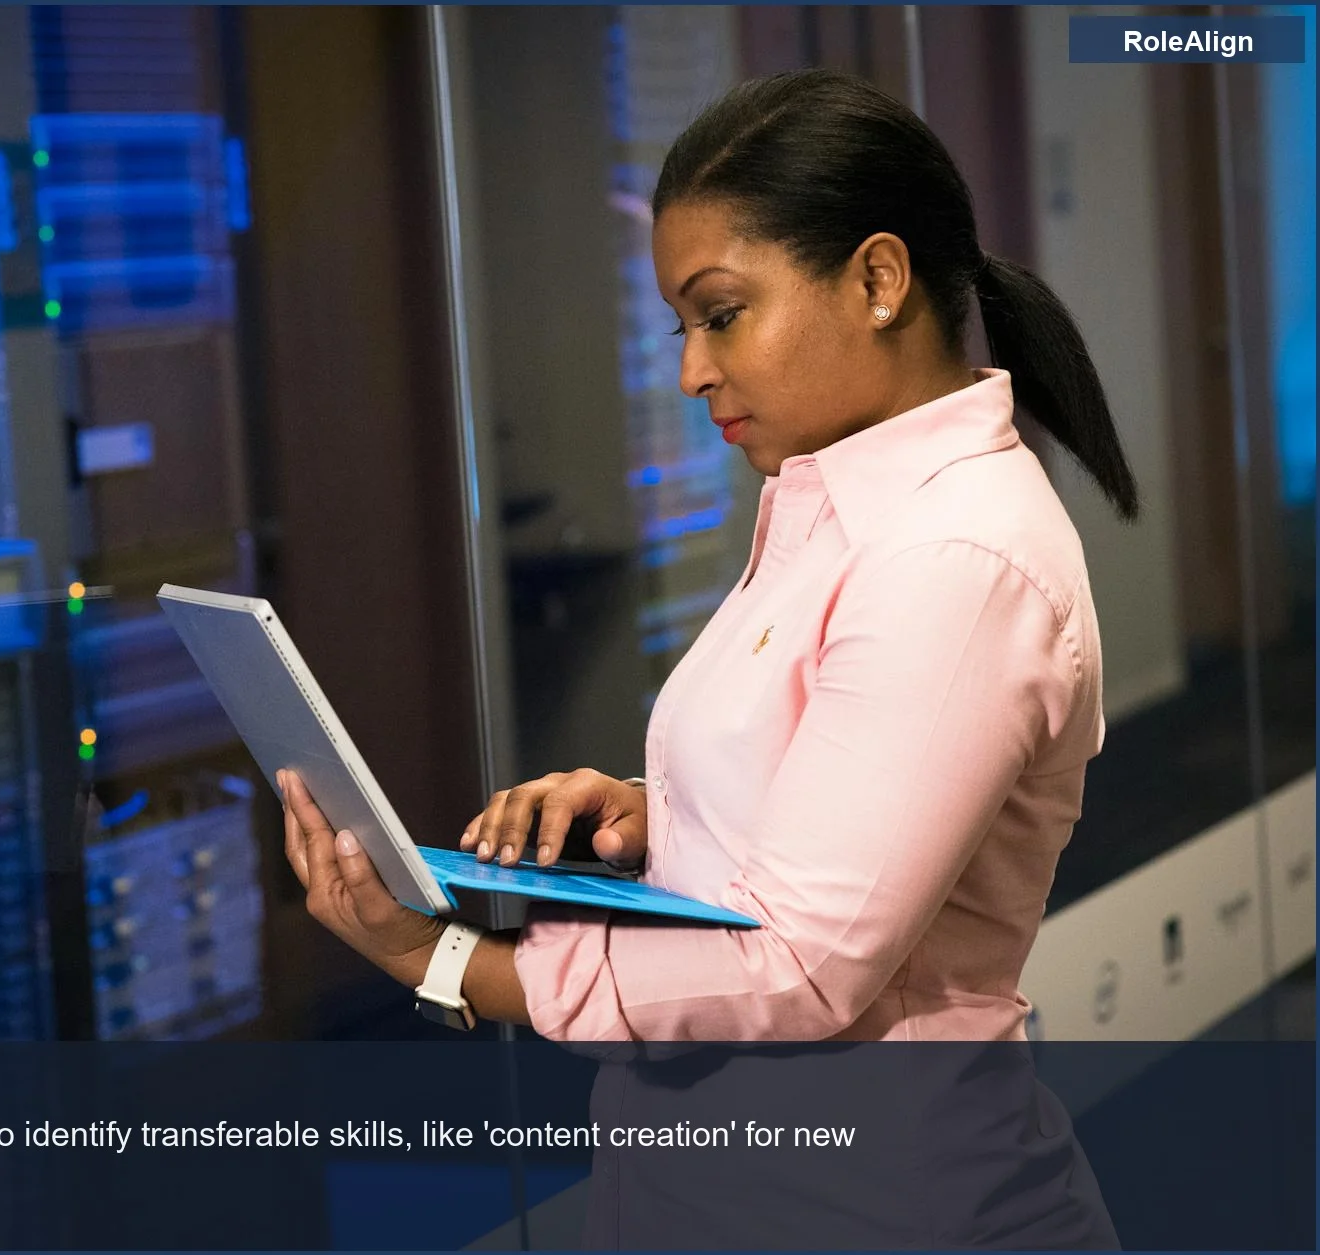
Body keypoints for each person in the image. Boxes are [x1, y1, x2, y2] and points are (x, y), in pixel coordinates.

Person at [277, 68, 1125, 1247]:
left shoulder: (954, 555)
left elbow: (796, 965)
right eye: (680, 327)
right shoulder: (828, 508)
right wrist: (654, 812)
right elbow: (831, 805)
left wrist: (445, 959)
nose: (691, 371)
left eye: (720, 313)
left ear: (877, 280)